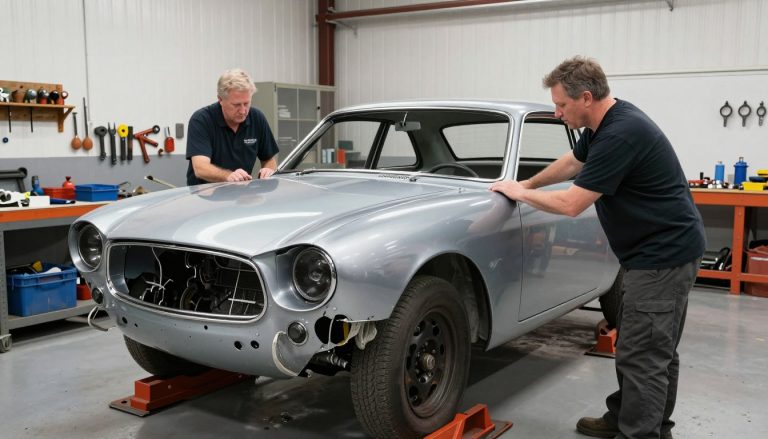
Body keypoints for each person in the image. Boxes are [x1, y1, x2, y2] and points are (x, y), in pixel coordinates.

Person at [490, 56, 705, 439]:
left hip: (662, 258)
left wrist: (520, 197)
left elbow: (572, 204)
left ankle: (639, 433)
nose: (557, 113)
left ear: (585, 97)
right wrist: (528, 184)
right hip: (660, 252)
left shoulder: (621, 135)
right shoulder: (606, 123)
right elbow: (572, 162)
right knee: (652, 349)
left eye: (561, 105)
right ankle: (631, 417)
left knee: (644, 355)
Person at [186, 68, 279, 185]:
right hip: (205, 197)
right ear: (220, 99)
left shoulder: (257, 118)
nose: (243, 110)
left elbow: (269, 160)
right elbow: (200, 168)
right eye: (236, 105)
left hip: (241, 196)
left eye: (246, 103)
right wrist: (228, 176)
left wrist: (269, 170)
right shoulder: (201, 120)